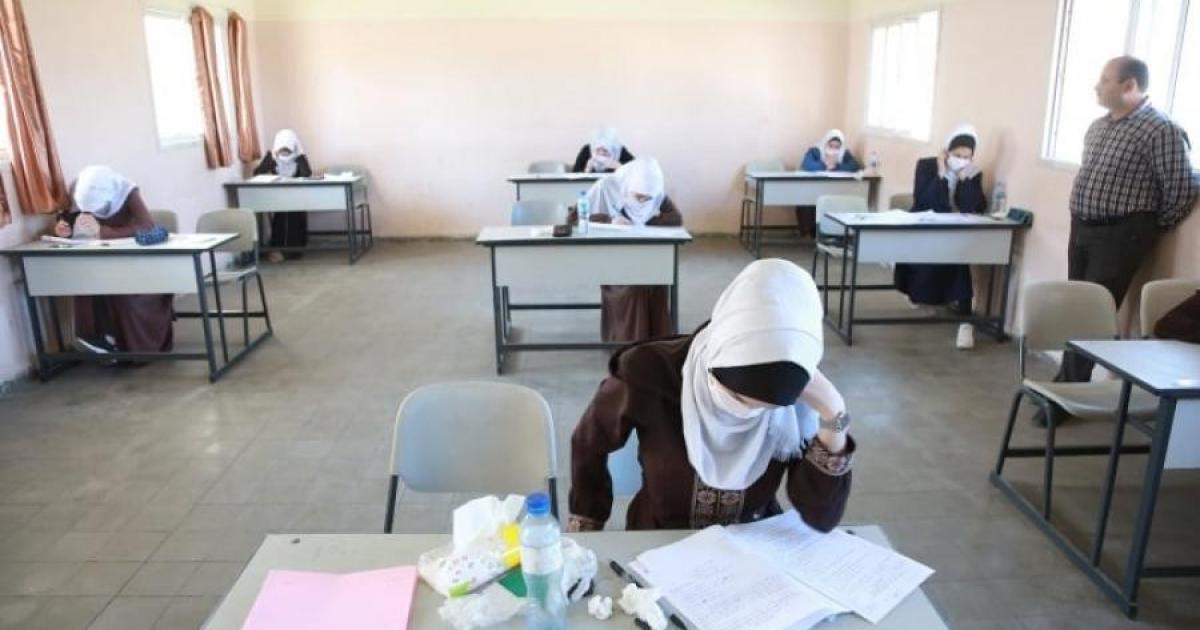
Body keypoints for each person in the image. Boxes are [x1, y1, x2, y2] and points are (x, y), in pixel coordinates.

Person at [567, 259, 854, 532]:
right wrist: (587, 521)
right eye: (735, 398)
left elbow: (821, 517)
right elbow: (588, 442)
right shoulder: (649, 373)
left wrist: (836, 414)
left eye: (765, 409)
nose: (743, 413)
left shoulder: (800, 396)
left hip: (753, 540)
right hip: (659, 539)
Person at [1054, 56, 1197, 387]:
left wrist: (1148, 226)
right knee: (1076, 304)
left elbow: (1181, 188)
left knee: (1094, 310)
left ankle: (1070, 390)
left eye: (1105, 80)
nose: (1097, 86)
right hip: (1083, 226)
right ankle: (1066, 379)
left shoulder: (1160, 129)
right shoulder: (1099, 126)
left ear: (1129, 85)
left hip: (1120, 233)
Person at [54, 166, 174, 356]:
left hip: (133, 261)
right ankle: (94, 341)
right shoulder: (79, 189)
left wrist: (104, 232)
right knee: (83, 285)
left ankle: (131, 349)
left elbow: (147, 226)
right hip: (99, 261)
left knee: (120, 291)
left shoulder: (127, 191)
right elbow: (69, 218)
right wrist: (63, 229)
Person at [893, 124, 988, 349]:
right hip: (923, 226)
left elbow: (974, 206)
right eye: (957, 155)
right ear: (947, 152)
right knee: (927, 263)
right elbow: (923, 199)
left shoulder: (972, 173)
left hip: (954, 231)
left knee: (959, 262)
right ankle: (919, 294)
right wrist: (942, 175)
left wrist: (965, 181)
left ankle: (965, 322)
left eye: (967, 156)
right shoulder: (926, 166)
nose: (962, 160)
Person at [583, 158, 682, 342]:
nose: (643, 202)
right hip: (610, 258)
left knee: (658, 280)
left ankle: (656, 343)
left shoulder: (655, 193)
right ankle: (631, 344)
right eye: (638, 196)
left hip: (641, 255)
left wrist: (646, 224)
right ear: (629, 184)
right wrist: (610, 221)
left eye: (647, 198)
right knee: (637, 287)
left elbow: (675, 218)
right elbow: (576, 219)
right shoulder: (606, 188)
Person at [254, 129, 313, 261]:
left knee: (294, 218)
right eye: (282, 150)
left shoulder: (299, 157)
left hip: (297, 197)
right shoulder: (272, 157)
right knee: (280, 219)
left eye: (287, 150)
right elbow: (257, 173)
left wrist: (299, 156)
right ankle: (278, 249)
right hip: (278, 197)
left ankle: (293, 251)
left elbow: (307, 174)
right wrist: (271, 158)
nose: (285, 153)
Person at [797, 129, 864, 236]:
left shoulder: (844, 153)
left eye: (837, 147)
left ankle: (833, 232)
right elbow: (807, 164)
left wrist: (836, 166)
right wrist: (824, 165)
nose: (833, 149)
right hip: (813, 188)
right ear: (825, 143)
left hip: (835, 190)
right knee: (807, 202)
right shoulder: (815, 151)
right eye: (831, 146)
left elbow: (854, 166)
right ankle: (813, 232)